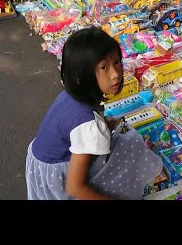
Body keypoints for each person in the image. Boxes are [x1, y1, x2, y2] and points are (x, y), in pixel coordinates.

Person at [25, 26, 163, 200]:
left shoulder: (70, 95)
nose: (115, 74)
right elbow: (75, 188)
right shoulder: (88, 125)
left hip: (40, 164)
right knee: (131, 145)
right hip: (58, 180)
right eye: (104, 67)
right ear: (82, 74)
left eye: (117, 62)